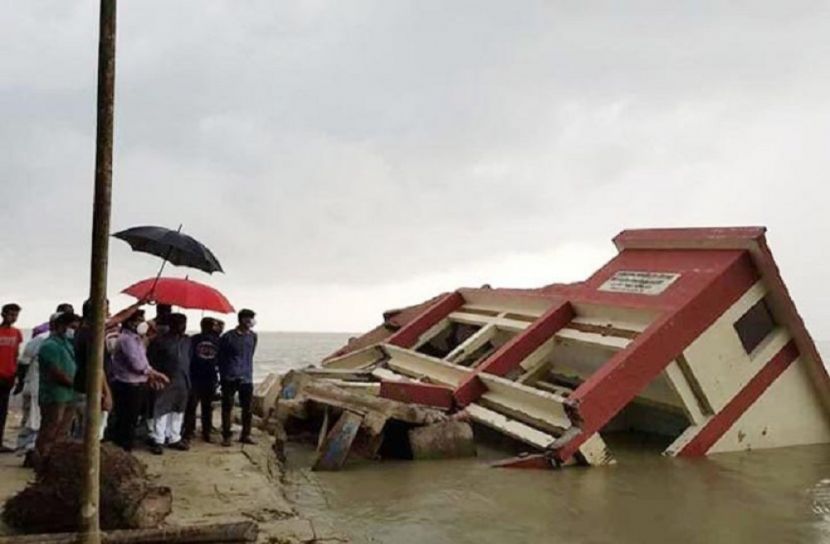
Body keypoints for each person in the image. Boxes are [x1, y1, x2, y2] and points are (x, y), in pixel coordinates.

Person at [110, 310, 167, 452]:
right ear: (131, 322)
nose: (143, 323)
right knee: (127, 420)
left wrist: (151, 374)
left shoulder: (137, 339)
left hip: (137, 384)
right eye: (140, 320)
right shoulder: (126, 340)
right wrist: (154, 373)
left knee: (132, 419)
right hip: (128, 385)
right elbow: (137, 364)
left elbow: (143, 361)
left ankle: (126, 447)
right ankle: (124, 449)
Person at [34, 312, 81, 464]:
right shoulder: (49, 345)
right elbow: (56, 372)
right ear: (61, 326)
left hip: (69, 395)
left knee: (63, 430)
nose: (73, 331)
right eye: (71, 327)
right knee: (50, 429)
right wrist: (76, 384)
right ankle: (42, 459)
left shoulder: (67, 344)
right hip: (54, 395)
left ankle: (55, 460)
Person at [147, 313, 191, 454]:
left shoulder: (187, 341)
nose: (182, 327)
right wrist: (153, 378)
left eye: (184, 323)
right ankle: (158, 439)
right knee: (161, 409)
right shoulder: (159, 341)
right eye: (179, 324)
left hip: (183, 379)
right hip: (164, 378)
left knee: (178, 409)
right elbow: (151, 360)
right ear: (172, 325)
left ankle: (174, 437)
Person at [13, 315, 53, 461]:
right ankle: (29, 453)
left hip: (47, 389)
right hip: (35, 386)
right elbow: (23, 362)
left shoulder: (65, 340)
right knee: (32, 420)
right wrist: (20, 382)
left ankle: (35, 452)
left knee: (40, 421)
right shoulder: (42, 340)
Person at [73, 299, 113, 440]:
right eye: (105, 309)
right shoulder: (92, 336)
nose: (108, 313)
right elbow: (97, 368)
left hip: (81, 386)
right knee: (93, 433)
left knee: (81, 429)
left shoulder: (80, 331)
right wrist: (106, 392)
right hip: (91, 389)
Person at [219, 309, 258, 447]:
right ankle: (226, 436)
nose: (252, 322)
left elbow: (250, 354)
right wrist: (224, 374)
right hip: (230, 377)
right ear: (242, 320)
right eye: (249, 319)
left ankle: (245, 434)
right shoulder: (228, 337)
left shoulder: (253, 336)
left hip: (247, 377)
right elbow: (221, 357)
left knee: (247, 408)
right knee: (227, 407)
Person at [183, 318, 220, 443]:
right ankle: (203, 432)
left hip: (200, 376)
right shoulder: (215, 340)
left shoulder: (194, 339)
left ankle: (191, 432)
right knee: (203, 406)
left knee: (194, 406)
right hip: (204, 377)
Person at [0, 303, 23, 453]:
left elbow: (16, 354)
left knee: (2, 410)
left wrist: (16, 374)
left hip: (8, 376)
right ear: (3, 314)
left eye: (15, 315)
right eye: (10, 314)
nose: (13, 318)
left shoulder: (16, 333)